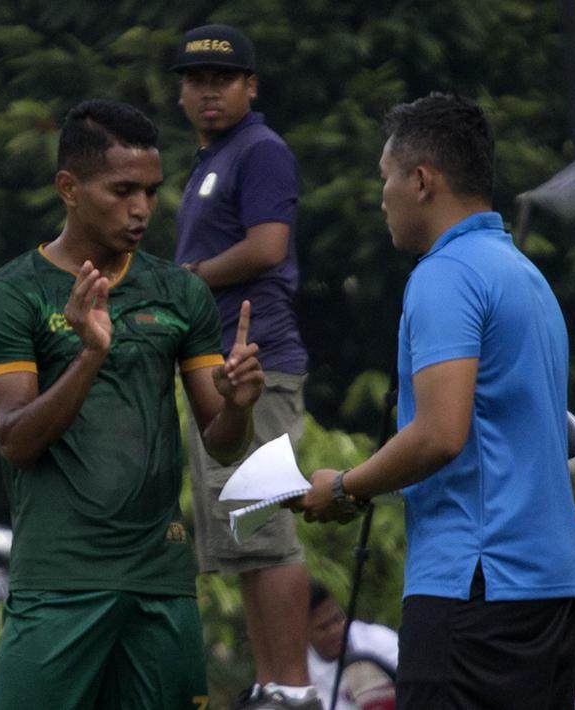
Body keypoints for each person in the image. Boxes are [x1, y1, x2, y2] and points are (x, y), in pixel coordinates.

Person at [295, 92, 575, 710]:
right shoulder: (525, 276)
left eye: (386, 179)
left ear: (422, 180)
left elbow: (438, 433)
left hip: (476, 582)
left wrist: (347, 487)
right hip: (553, 586)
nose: (382, 198)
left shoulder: (445, 274)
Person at [0, 99, 265, 710]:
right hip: (59, 582)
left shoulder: (179, 291)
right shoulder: (12, 292)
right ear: (68, 188)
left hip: (160, 582)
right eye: (122, 190)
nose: (141, 209)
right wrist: (89, 356)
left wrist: (238, 406)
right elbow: (16, 440)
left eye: (152, 192)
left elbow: (222, 440)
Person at [170, 23, 316, 708]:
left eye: (222, 80)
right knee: (243, 536)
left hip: (260, 367)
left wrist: (187, 279)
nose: (207, 92)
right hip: (220, 374)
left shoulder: (259, 150)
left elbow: (266, 246)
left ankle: (291, 689)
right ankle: (269, 685)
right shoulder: (211, 160)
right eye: (195, 81)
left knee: (266, 525)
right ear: (180, 92)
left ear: (249, 87)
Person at [307, 581, 398, 710]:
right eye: (323, 627)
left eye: (338, 619)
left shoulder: (377, 639)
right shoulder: (300, 672)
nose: (336, 630)